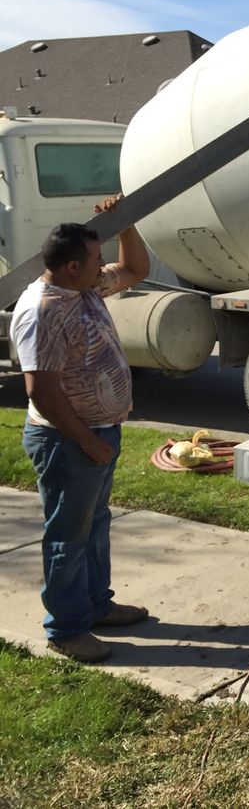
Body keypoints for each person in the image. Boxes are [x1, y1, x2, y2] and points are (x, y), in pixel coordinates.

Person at [12, 194, 151, 663]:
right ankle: (67, 628)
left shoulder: (84, 288)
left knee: (94, 526)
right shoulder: (43, 310)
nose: (103, 266)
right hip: (67, 441)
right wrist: (88, 441)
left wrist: (123, 224)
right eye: (95, 260)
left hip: (96, 434)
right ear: (72, 267)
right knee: (67, 536)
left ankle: (96, 605)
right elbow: (41, 390)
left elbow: (135, 269)